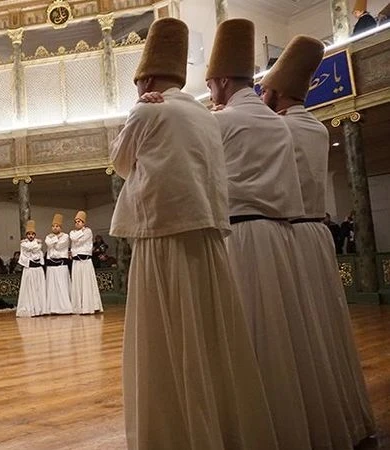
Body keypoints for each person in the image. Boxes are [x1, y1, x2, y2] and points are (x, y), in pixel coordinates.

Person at [114, 18, 278, 450]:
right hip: (207, 239)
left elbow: (121, 161)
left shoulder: (147, 109)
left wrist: (137, 110)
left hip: (162, 237)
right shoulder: (206, 116)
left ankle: (176, 433)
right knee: (210, 338)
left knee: (165, 339)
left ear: (147, 79)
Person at [207, 19, 350, 449]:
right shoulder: (314, 129)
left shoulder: (248, 123)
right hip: (308, 234)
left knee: (261, 338)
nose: (262, 93)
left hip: (254, 237)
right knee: (311, 337)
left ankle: (263, 422)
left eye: (267, 88)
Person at [261, 35, 376, 444]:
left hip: (290, 233)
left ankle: (301, 416)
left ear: (276, 92)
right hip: (317, 234)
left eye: (265, 90)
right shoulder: (314, 126)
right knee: (323, 327)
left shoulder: (278, 127)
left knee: (295, 332)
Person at [69, 211, 103, 315]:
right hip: (76, 262)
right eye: (76, 221)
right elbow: (74, 238)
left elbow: (81, 240)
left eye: (79, 221)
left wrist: (79, 235)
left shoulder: (88, 231)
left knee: (87, 283)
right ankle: (79, 307)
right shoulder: (72, 232)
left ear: (83, 223)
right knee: (78, 284)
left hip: (86, 261)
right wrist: (79, 234)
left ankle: (91, 306)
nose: (77, 223)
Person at [16, 220, 47, 317]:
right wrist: (37, 243)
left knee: (39, 289)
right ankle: (31, 308)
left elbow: (37, 249)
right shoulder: (24, 244)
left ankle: (40, 309)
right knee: (29, 289)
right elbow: (30, 248)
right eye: (29, 234)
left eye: (32, 234)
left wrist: (38, 244)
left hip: (38, 270)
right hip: (29, 269)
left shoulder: (38, 243)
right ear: (26, 235)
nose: (30, 236)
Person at [44, 214, 73, 315]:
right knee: (51, 287)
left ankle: (64, 307)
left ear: (60, 227)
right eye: (53, 226)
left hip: (61, 264)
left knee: (62, 286)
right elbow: (48, 244)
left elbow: (59, 246)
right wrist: (55, 239)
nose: (55, 228)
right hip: (51, 265)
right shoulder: (48, 236)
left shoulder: (65, 236)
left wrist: (54, 241)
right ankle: (52, 307)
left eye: (57, 226)